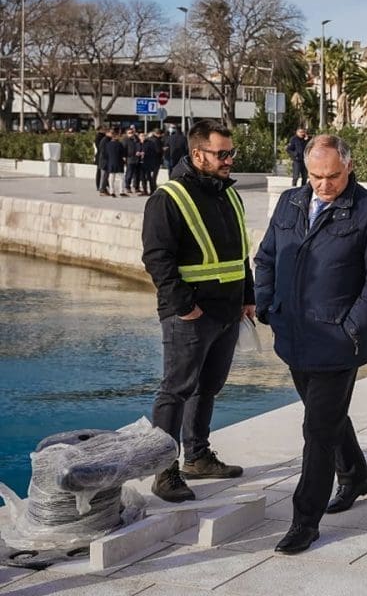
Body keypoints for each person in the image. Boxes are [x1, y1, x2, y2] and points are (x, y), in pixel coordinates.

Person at [254, 134, 367, 555]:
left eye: (332, 176)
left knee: (316, 430)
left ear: (349, 167)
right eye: (316, 176)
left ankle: (305, 521)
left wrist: (351, 328)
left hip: (338, 342)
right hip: (294, 336)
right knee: (327, 417)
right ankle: (355, 474)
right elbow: (266, 258)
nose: (323, 184)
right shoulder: (290, 203)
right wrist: (267, 305)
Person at [142, 119, 252, 503]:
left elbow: (241, 254)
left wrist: (247, 297)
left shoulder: (227, 194)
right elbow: (157, 259)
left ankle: (198, 457)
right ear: (197, 154)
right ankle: (164, 470)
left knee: (208, 388)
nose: (228, 160)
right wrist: (184, 307)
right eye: (221, 154)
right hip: (190, 316)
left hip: (227, 312)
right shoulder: (169, 197)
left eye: (230, 152)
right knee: (175, 390)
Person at [101, 127, 126, 197]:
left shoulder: (108, 145)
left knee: (111, 178)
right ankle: (121, 191)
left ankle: (112, 191)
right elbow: (123, 154)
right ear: (117, 136)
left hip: (111, 163)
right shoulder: (120, 144)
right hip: (119, 163)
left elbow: (105, 154)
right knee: (121, 178)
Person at [142, 128, 164, 194]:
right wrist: (163, 150)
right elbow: (158, 151)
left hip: (147, 160)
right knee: (154, 176)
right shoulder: (157, 141)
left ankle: (145, 190)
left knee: (147, 176)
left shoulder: (148, 140)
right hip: (156, 160)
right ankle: (153, 189)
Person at [122, 127, 142, 197]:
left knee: (137, 174)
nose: (131, 134)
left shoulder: (137, 139)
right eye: (129, 133)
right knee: (129, 174)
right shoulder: (125, 140)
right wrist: (125, 157)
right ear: (127, 134)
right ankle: (127, 187)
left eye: (132, 132)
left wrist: (139, 152)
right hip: (130, 159)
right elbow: (124, 150)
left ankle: (136, 187)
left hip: (137, 159)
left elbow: (140, 146)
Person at [94, 127, 108, 192]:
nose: (105, 130)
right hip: (100, 157)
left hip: (100, 156)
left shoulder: (102, 137)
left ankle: (103, 184)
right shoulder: (100, 137)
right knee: (100, 171)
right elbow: (99, 147)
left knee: (102, 171)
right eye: (104, 129)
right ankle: (99, 185)